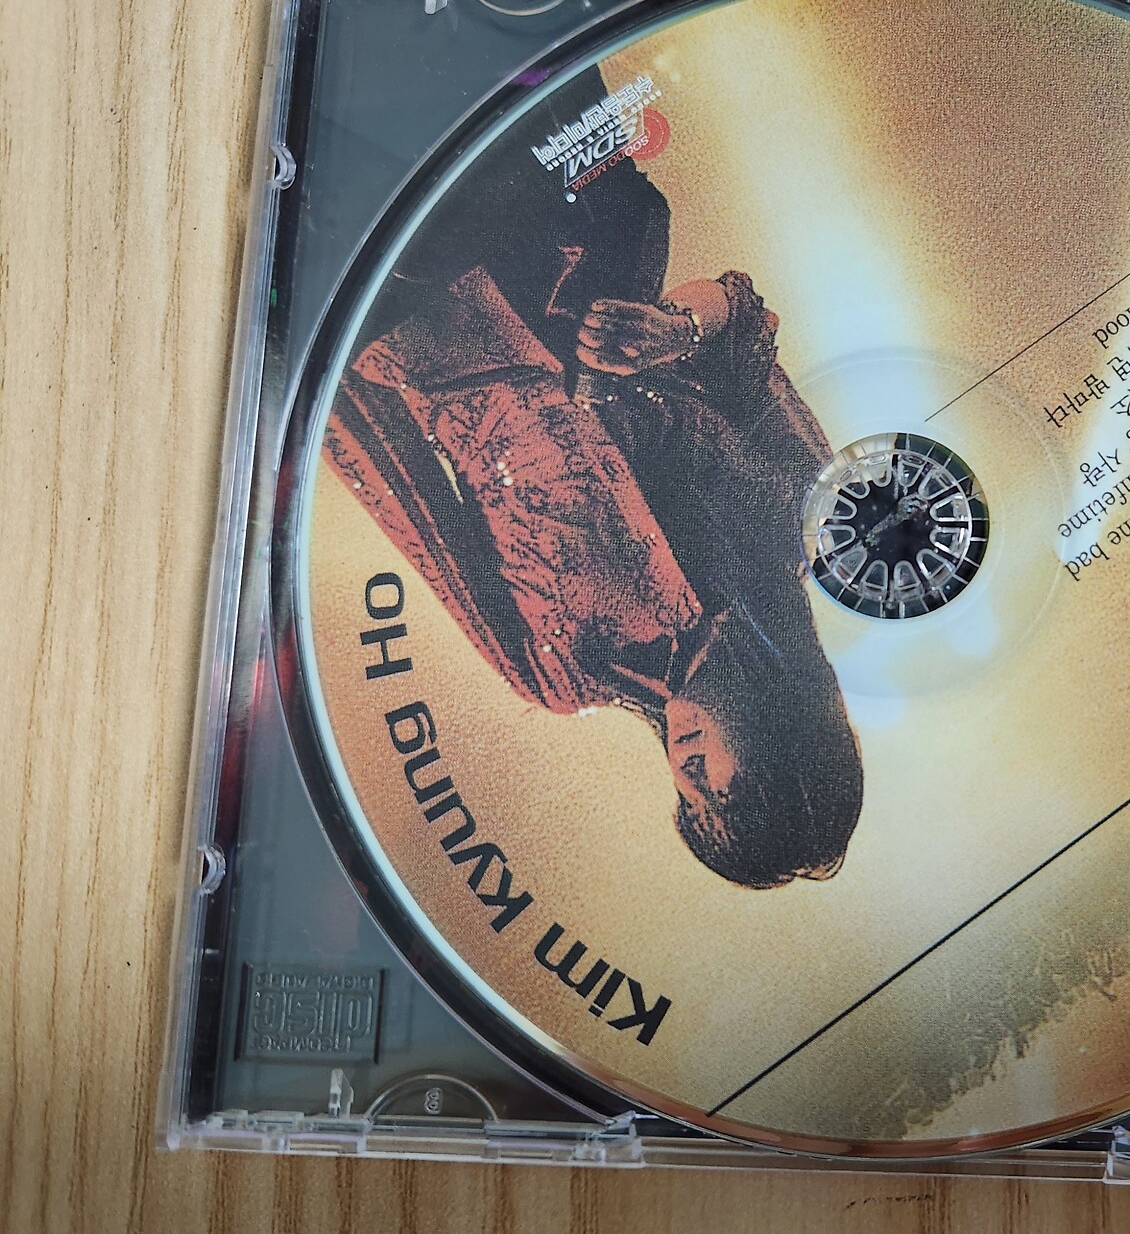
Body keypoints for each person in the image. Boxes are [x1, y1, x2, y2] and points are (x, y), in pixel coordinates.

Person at [323, 81, 862, 889]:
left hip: (410, 294)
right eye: (729, 790)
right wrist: (676, 331)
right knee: (503, 38)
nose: (688, 772)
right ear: (791, 739)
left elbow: (421, 515)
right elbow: (743, 326)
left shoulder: (564, 673)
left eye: (692, 802)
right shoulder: (799, 522)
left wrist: (320, 354)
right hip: (571, 213)